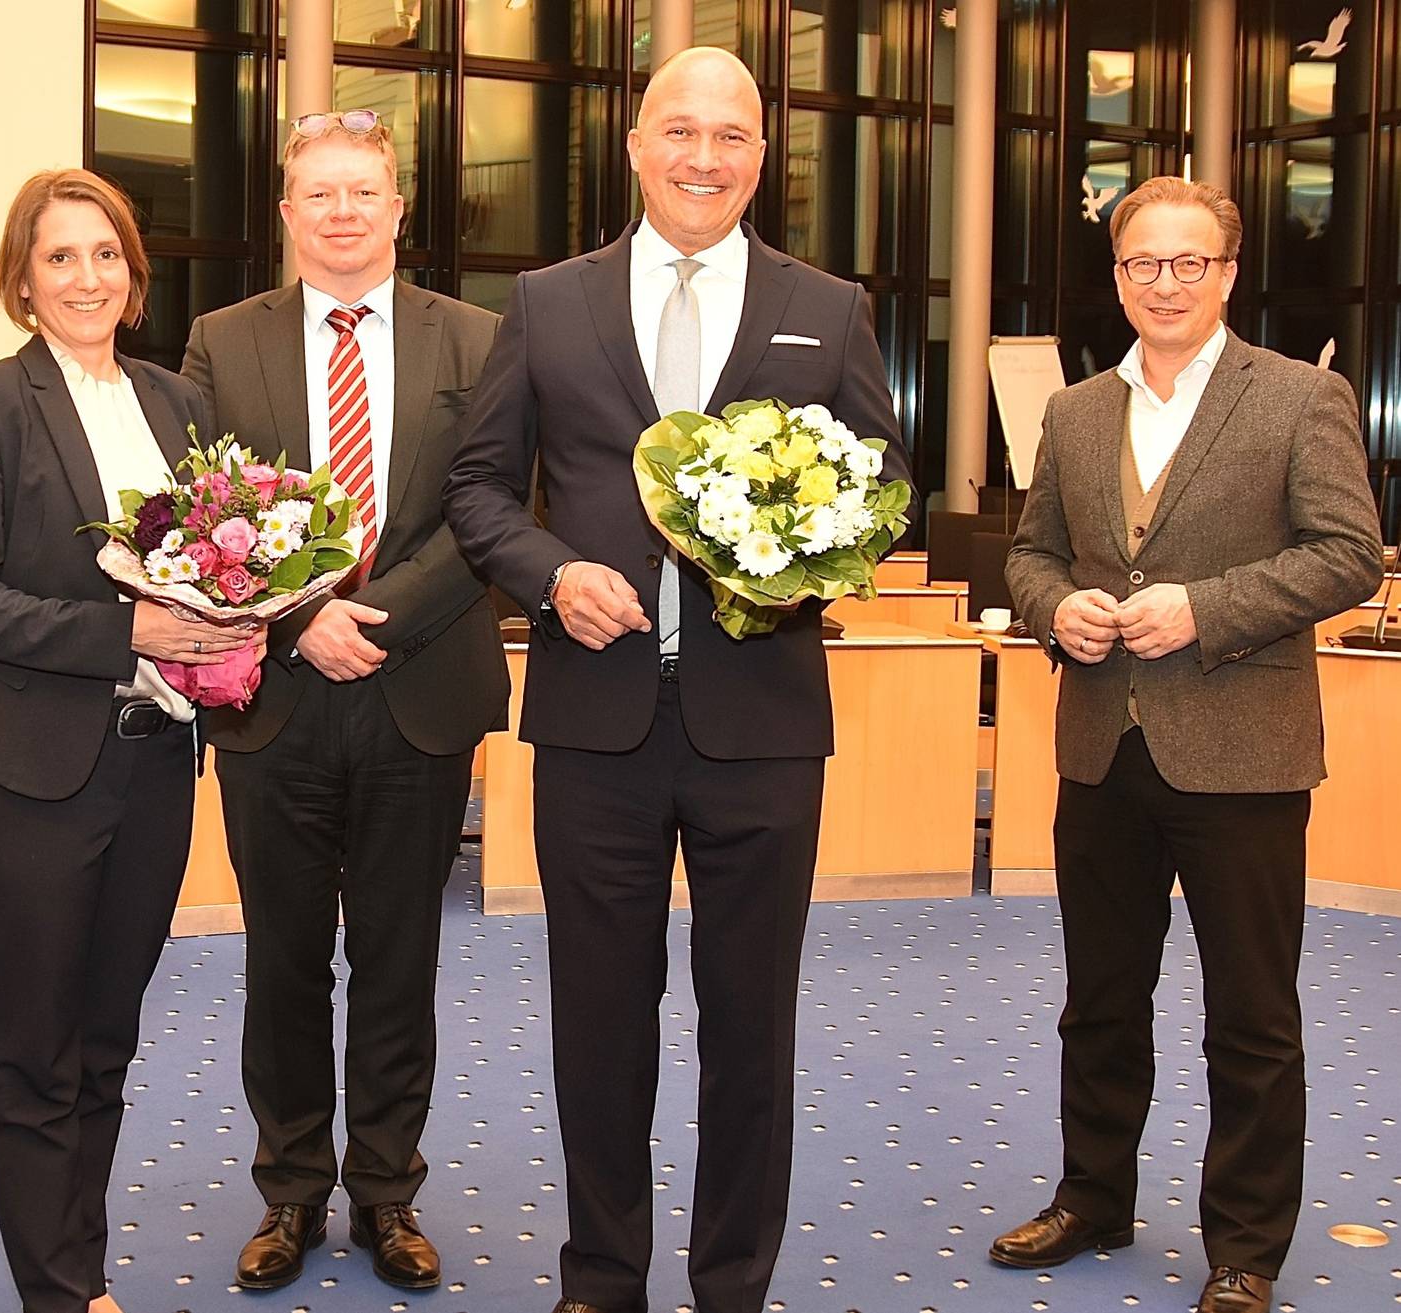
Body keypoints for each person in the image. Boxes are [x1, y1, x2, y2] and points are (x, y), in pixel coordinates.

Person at [444, 47, 913, 1313]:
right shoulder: (546, 302)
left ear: (764, 154)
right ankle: (601, 1277)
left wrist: (796, 570)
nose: (706, 158)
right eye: (683, 132)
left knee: (752, 1029)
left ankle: (734, 1285)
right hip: (596, 717)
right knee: (599, 1022)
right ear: (638, 145)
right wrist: (547, 575)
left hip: (759, 721)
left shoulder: (832, 305)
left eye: (734, 136)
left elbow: (875, 491)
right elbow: (480, 488)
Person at [995, 176, 1382, 1313]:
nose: (1162, 284)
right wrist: (1052, 605)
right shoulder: (1073, 412)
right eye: (1140, 264)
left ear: (1227, 271)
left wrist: (1203, 609)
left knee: (1251, 1014)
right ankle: (1092, 1194)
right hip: (1102, 746)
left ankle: (1246, 1244)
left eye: (1187, 263)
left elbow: (1348, 554)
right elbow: (1031, 555)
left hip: (1244, 756)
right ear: (1116, 277)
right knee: (1099, 999)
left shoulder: (1302, 397)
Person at [182, 111, 508, 1293]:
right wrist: (299, 615)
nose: (341, 212)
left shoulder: (476, 337)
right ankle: (287, 1193)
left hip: (417, 688)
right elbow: (207, 500)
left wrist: (370, 619)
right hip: (274, 692)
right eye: (317, 194)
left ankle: (387, 1192)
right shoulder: (224, 339)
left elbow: (487, 506)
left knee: (399, 955)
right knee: (281, 959)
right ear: (286, 214)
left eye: (362, 191)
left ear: (397, 206)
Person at [0, 168, 252, 1313]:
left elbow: (214, 562)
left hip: (156, 761)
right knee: (34, 1046)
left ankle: (82, 1271)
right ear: (22, 280)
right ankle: (57, 1291)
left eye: (104, 254)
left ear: (133, 271)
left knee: (106, 1039)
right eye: (59, 257)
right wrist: (132, 627)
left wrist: (236, 618)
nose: (86, 277)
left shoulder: (176, 405)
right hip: (32, 773)